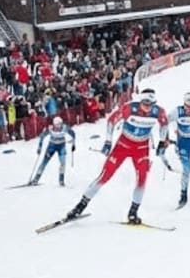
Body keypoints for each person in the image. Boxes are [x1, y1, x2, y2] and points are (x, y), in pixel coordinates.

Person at [63, 87, 168, 225]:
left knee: (142, 179)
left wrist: (162, 141)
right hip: (123, 145)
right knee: (105, 176)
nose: (147, 107)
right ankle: (79, 207)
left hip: (141, 148)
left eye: (150, 105)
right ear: (140, 101)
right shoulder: (130, 108)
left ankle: (133, 213)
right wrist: (108, 141)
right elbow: (111, 121)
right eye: (144, 104)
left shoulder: (158, 112)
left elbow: (164, 124)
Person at [30, 116, 75, 186]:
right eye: (57, 125)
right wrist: (39, 147)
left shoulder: (65, 128)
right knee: (44, 162)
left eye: (60, 124)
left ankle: (61, 180)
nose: (58, 126)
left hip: (61, 147)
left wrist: (73, 144)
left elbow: (73, 134)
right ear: (54, 124)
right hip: (51, 147)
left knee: (63, 163)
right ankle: (36, 179)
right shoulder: (50, 129)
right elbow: (42, 136)